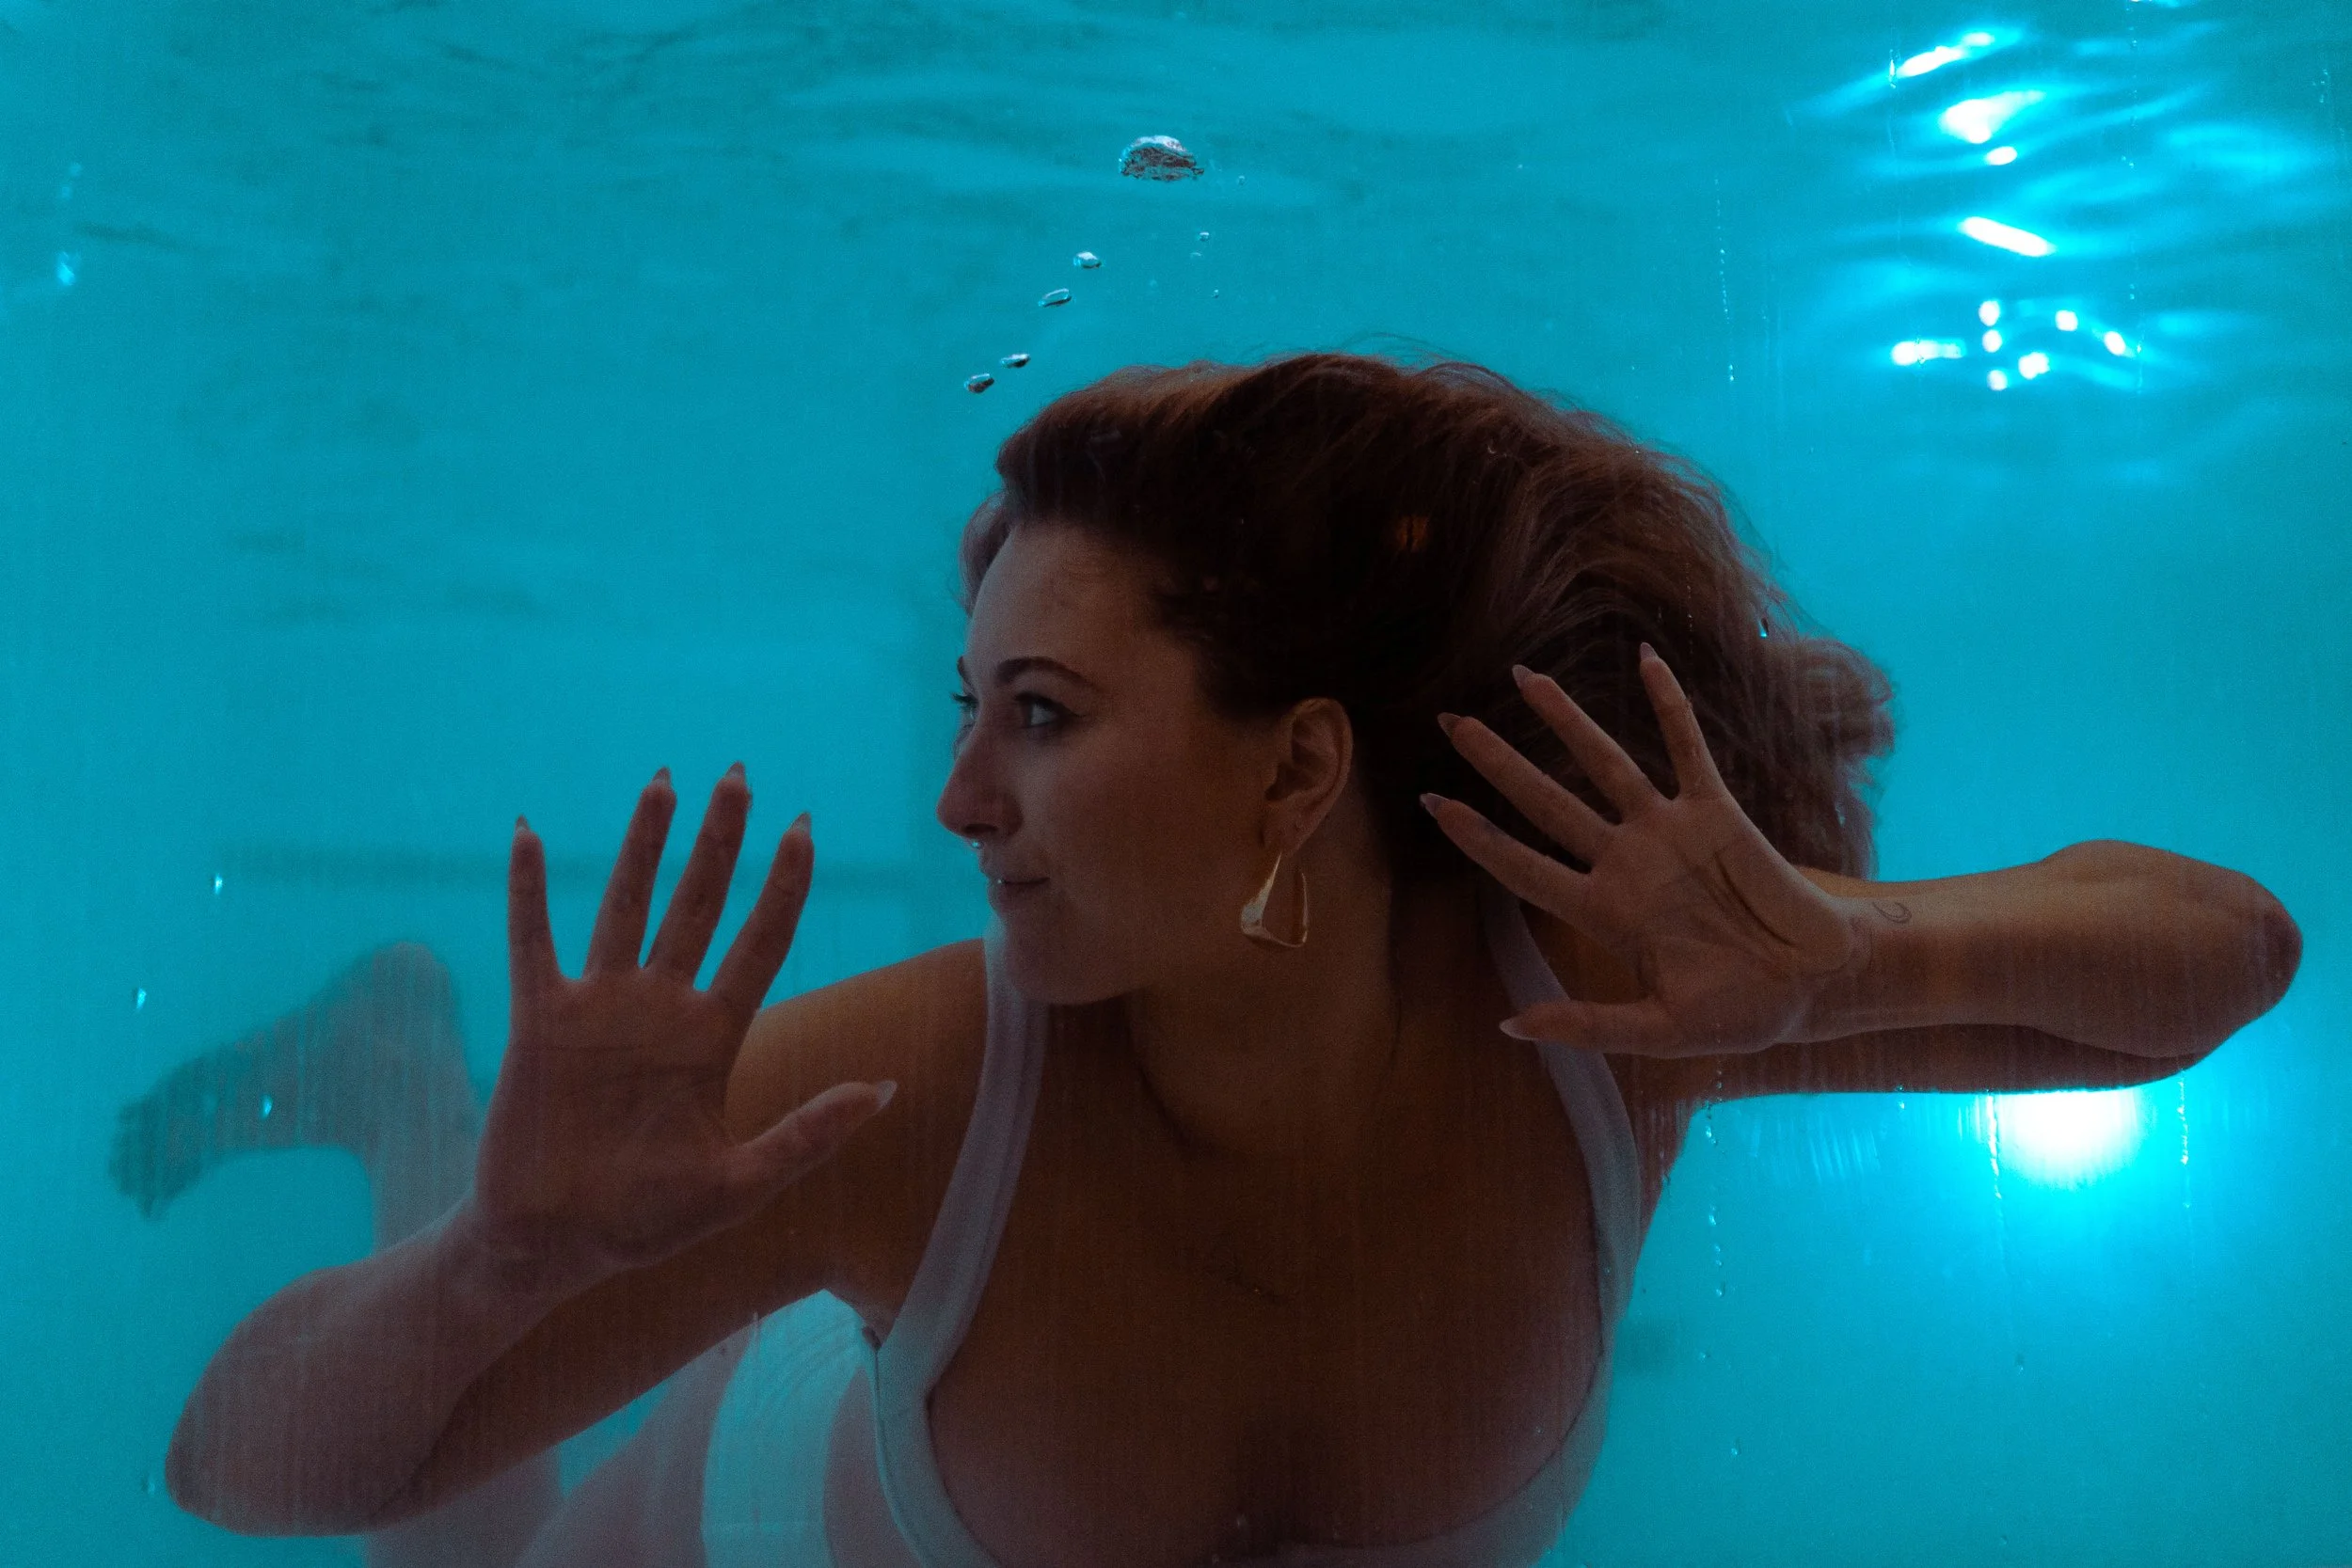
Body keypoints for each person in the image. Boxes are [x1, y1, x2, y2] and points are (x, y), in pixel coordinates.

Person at [140, 354, 2301, 1567]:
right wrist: (496, 1269)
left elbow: (2222, 951)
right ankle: (407, 1074)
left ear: (1294, 777)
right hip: (714, 1520)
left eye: (1040, 716)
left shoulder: (1609, 1013)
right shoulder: (907, 1088)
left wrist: (1834, 955)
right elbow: (247, 1471)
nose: (958, 803)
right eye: (960, 706)